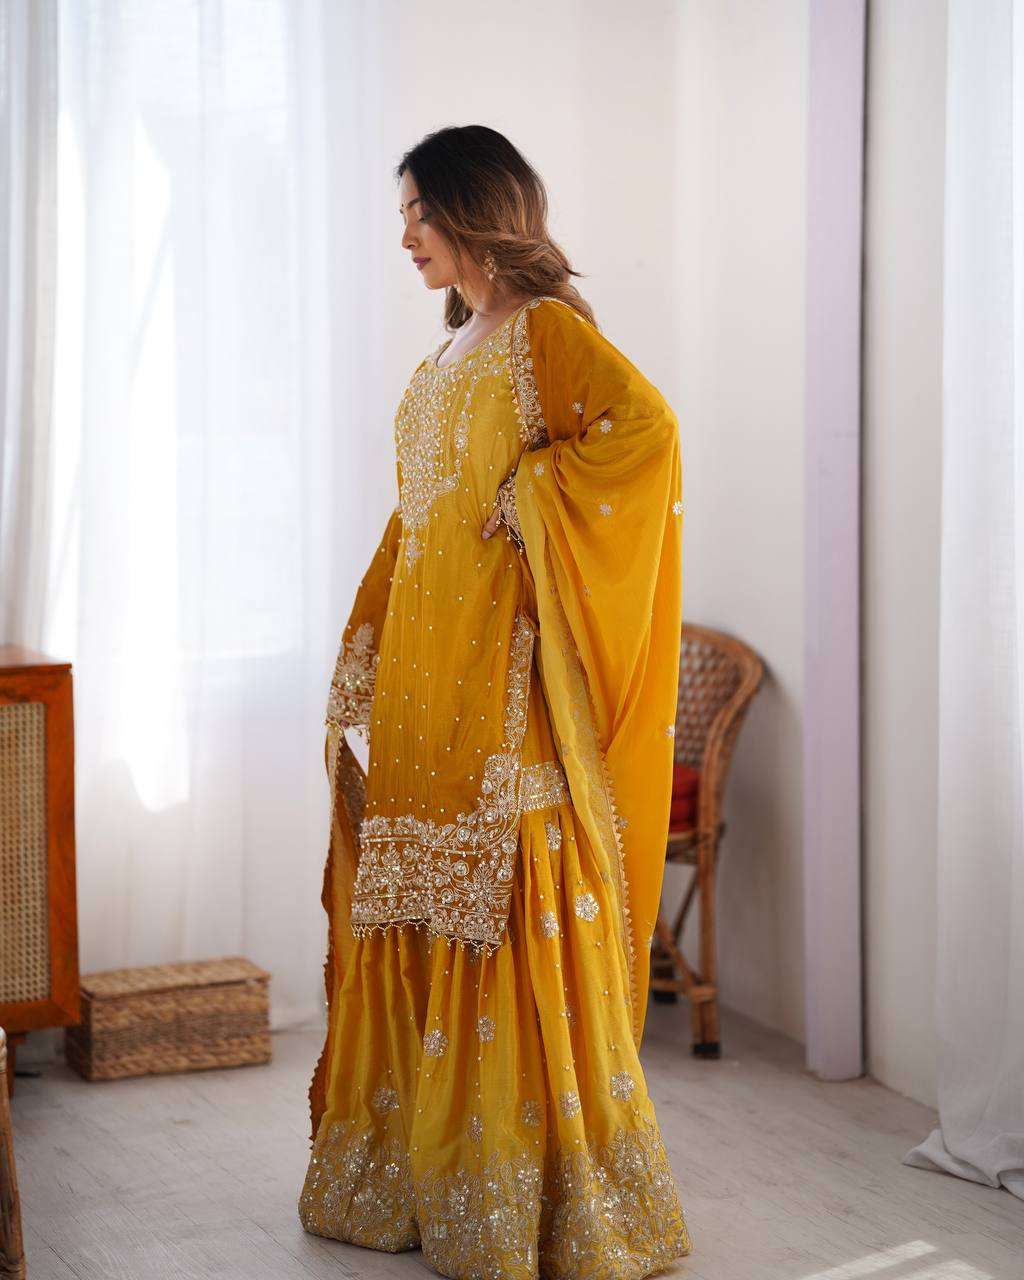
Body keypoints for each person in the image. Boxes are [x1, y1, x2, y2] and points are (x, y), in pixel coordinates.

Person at [298, 124, 693, 1280]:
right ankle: (421, 1180)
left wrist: (537, 488)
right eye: (403, 216)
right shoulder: (445, 357)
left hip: (507, 685)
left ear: (476, 209)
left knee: (506, 904)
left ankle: (529, 1200)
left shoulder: (547, 332)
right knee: (421, 909)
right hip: (429, 681)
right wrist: (367, 640)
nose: (405, 237)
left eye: (419, 212)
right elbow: (420, 516)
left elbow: (646, 433)